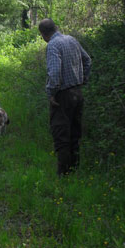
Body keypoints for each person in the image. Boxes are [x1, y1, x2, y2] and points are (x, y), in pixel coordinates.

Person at [38, 19, 92, 176]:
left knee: (61, 134)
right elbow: (87, 60)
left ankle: (63, 175)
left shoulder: (53, 45)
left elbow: (54, 73)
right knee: (75, 133)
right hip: (77, 93)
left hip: (62, 96)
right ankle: (75, 170)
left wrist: (51, 93)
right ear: (56, 28)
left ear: (43, 34)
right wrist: (83, 80)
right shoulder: (71, 40)